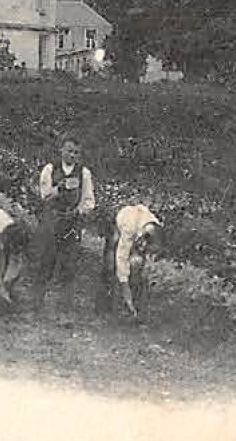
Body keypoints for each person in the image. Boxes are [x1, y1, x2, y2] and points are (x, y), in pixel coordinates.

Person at [30, 135, 96, 311]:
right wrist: (60, 188)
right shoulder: (50, 169)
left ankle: (64, 307)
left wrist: (78, 211)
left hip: (72, 222)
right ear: (61, 150)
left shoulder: (84, 173)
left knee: (69, 264)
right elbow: (44, 195)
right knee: (46, 261)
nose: (73, 155)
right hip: (51, 220)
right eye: (69, 151)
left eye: (76, 152)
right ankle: (37, 304)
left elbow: (89, 200)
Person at [97, 204, 162, 320]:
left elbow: (151, 250)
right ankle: (108, 307)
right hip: (117, 225)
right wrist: (125, 286)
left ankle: (138, 309)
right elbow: (121, 258)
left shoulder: (153, 226)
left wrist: (145, 262)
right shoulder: (129, 228)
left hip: (135, 233)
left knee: (137, 267)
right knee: (112, 266)